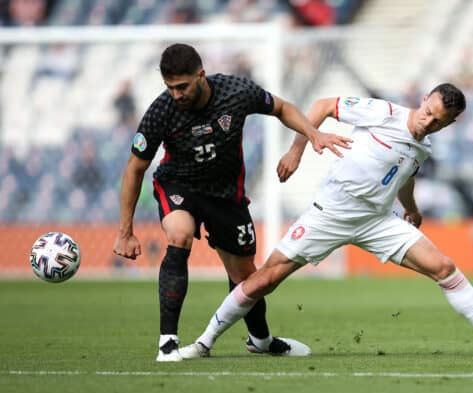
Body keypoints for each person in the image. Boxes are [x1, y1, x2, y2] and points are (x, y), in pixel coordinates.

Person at [179, 84, 473, 359]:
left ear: (449, 124)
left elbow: (406, 175)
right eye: (427, 110)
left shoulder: (424, 147)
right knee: (266, 279)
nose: (426, 120)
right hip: (332, 212)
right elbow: (323, 106)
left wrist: (411, 208)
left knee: (444, 267)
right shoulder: (384, 112)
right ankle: (204, 342)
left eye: (437, 120)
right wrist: (298, 148)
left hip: (377, 220)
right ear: (425, 99)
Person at [112, 43, 351, 362]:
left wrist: (311, 134)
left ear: (201, 75)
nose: (177, 95)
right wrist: (125, 231)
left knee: (245, 276)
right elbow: (135, 168)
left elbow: (281, 107)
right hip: (179, 185)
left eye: (182, 87)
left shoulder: (236, 91)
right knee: (179, 236)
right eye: (170, 88)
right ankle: (167, 344)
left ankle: (261, 341)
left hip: (226, 194)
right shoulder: (161, 111)